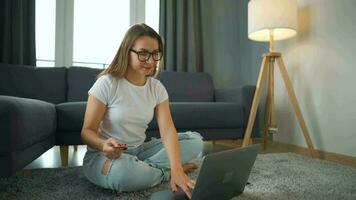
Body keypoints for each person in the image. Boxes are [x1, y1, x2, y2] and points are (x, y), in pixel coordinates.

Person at [81, 23, 203, 199]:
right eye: (143, 53)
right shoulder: (106, 83)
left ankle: (144, 170)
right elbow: (86, 131)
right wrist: (103, 145)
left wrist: (176, 166)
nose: (151, 60)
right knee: (122, 173)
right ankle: (163, 173)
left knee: (195, 141)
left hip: (140, 150)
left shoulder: (157, 88)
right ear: (127, 52)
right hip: (104, 155)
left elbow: (168, 130)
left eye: (155, 54)